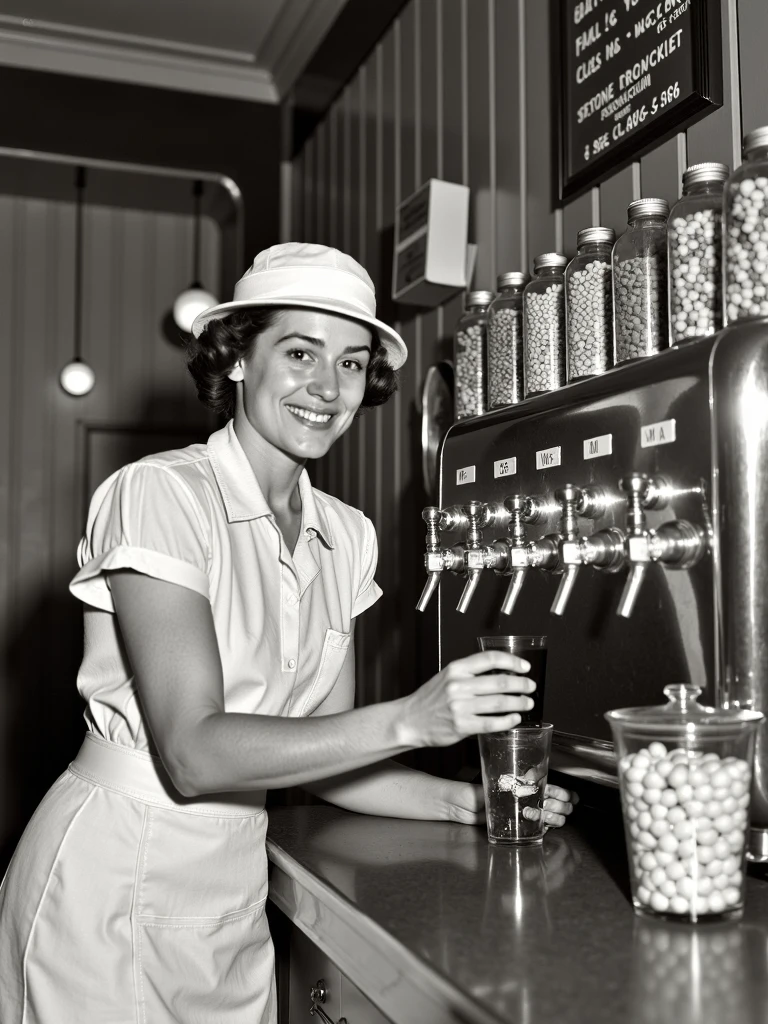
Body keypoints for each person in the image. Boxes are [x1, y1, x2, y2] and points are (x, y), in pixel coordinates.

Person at [0, 243, 576, 1023]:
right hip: (111, 883)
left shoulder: (346, 535)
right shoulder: (159, 496)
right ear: (238, 360)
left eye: (350, 362)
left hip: (231, 897)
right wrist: (410, 718)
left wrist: (468, 803)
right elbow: (194, 752)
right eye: (299, 352)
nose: (326, 388)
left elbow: (320, 752)